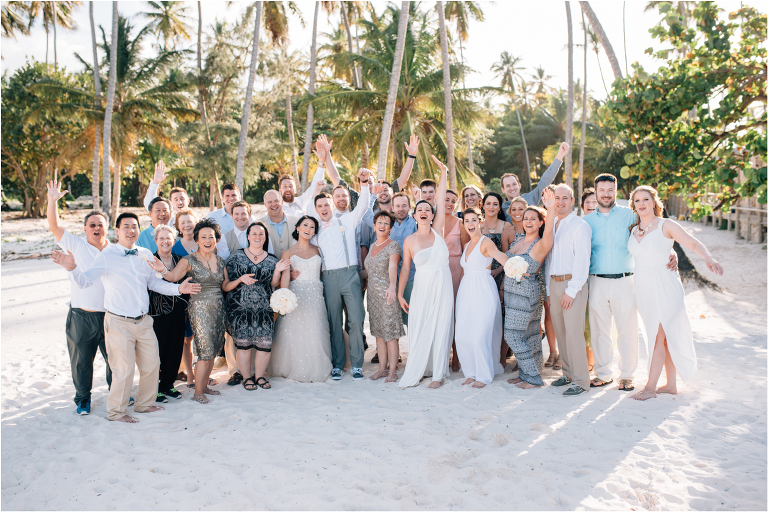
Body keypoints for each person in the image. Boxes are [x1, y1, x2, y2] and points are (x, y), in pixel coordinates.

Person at [51, 212, 201, 423]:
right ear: (117, 231)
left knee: (151, 365)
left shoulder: (146, 253)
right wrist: (72, 268)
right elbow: (85, 282)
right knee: (123, 370)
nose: (131, 230)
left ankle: (144, 404)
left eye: (134, 227)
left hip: (144, 320)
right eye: (126, 227)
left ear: (138, 231)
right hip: (119, 322)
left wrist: (179, 288)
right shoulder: (107, 255)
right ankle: (116, 412)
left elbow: (154, 284)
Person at [627, 186, 723, 400]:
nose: (641, 204)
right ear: (633, 205)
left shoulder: (666, 224)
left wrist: (708, 258)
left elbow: (691, 242)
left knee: (658, 334)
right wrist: (669, 253)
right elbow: (653, 252)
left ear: (654, 202)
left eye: (645, 199)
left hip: (665, 286)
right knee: (662, 335)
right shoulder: (634, 229)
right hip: (643, 288)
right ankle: (671, 385)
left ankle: (650, 388)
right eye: (637, 201)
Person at [584, 174, 678, 391]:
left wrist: (672, 252)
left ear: (616, 191)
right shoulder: (586, 222)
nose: (606, 194)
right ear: (595, 191)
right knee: (600, 330)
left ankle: (626, 375)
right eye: (602, 190)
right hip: (596, 280)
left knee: (627, 329)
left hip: (626, 280)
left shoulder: (631, 215)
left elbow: (654, 234)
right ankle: (603, 373)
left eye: (610, 189)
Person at [46, 180, 112, 415]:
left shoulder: (114, 250)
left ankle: (117, 394)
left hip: (110, 316)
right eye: (92, 225)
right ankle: (83, 399)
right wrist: (52, 200)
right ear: (85, 229)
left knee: (114, 360)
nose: (96, 228)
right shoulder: (75, 244)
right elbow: (53, 225)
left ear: (107, 228)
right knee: (82, 363)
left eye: (100, 225)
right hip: (81, 316)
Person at [306, 170, 378, 381]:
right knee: (333, 321)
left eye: (326, 205)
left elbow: (364, 205)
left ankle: (356, 364)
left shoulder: (347, 220)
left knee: (356, 320)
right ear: (316, 210)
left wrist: (364, 184)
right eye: (319, 207)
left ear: (332, 206)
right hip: (328, 278)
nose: (323, 209)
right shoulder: (315, 230)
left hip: (350, 275)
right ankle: (338, 364)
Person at [148, 219, 226, 404]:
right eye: (203, 236)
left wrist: (240, 281)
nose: (208, 239)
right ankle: (198, 391)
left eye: (211, 236)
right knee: (203, 350)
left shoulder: (220, 260)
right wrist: (163, 271)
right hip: (197, 310)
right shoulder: (187, 260)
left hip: (216, 309)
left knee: (211, 350)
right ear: (197, 239)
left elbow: (225, 284)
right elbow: (173, 277)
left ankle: (201, 385)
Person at [398, 156, 454, 389]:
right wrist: (401, 294)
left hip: (442, 285)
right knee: (420, 326)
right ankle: (420, 369)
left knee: (441, 326)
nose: (423, 211)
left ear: (432, 215)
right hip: (421, 287)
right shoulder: (410, 240)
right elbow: (405, 269)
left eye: (427, 209)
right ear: (415, 215)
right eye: (419, 209)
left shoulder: (439, 229)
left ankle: (439, 373)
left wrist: (443, 173)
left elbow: (439, 197)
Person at [222, 222, 289, 390]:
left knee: (264, 345)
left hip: (264, 309)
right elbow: (225, 286)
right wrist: (240, 279)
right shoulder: (236, 257)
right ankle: (246, 378)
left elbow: (274, 283)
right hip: (240, 309)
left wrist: (278, 270)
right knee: (243, 346)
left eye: (261, 234)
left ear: (265, 237)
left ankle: (259, 377)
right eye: (254, 234)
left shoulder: (272, 259)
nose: (258, 237)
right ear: (248, 236)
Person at [267, 215, 333, 382]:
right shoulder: (288, 252)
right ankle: (291, 367)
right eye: (305, 225)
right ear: (297, 228)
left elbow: (321, 273)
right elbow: (285, 277)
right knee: (293, 331)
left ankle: (317, 366)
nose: (308, 229)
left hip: (316, 294)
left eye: (312, 227)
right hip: (296, 294)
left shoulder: (318, 250)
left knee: (316, 329)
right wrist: (284, 296)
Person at [454, 207, 511, 388]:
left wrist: (516, 267)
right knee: (463, 335)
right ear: (464, 224)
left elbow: (501, 257)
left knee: (480, 335)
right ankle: (471, 372)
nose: (470, 224)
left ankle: (484, 375)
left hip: (483, 290)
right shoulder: (466, 245)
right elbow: (464, 271)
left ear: (480, 222)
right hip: (466, 291)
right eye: (467, 221)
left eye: (473, 220)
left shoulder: (486, 243)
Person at [504, 192, 556, 388]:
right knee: (530, 333)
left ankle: (533, 377)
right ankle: (526, 373)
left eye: (533, 219)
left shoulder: (541, 243)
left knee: (513, 335)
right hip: (512, 294)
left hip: (526, 294)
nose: (528, 221)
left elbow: (550, 232)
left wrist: (550, 208)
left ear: (541, 222)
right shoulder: (519, 240)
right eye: (526, 218)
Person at [547, 184, 592, 397]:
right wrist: (549, 289)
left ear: (573, 201)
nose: (561, 201)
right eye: (557, 197)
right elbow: (549, 258)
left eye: (565, 198)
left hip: (572, 284)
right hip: (554, 284)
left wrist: (571, 290)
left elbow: (582, 262)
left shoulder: (579, 226)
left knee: (574, 333)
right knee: (560, 331)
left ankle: (582, 381)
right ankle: (567, 373)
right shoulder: (553, 223)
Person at [214, 200, 256, 386]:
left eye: (243, 214)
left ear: (249, 214)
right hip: (234, 289)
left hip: (256, 288)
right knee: (232, 332)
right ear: (231, 216)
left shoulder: (258, 232)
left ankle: (252, 369)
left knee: (254, 327)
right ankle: (234, 370)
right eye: (236, 214)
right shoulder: (224, 237)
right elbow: (224, 262)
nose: (240, 217)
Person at [361, 210, 405, 382]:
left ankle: (393, 371)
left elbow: (393, 267)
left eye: (386, 223)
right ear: (374, 225)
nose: (382, 225)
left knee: (390, 334)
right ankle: (382, 369)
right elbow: (369, 272)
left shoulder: (393, 246)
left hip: (388, 294)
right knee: (379, 333)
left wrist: (393, 287)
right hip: (372, 295)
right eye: (380, 222)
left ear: (390, 228)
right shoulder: (372, 246)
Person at [148, 225, 187, 402]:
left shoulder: (180, 260)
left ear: (174, 240)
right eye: (161, 238)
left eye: (168, 238)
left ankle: (168, 385)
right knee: (157, 351)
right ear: (156, 241)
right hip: (156, 314)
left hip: (178, 312)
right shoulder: (150, 260)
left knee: (175, 349)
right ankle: (154, 388)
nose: (165, 241)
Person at [501, 142, 570, 224]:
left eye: (514, 184)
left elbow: (545, 180)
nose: (512, 188)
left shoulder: (530, 198)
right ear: (503, 189)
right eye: (508, 186)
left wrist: (560, 155)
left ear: (519, 185)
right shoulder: (500, 209)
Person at [171, 209, 197, 385]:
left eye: (190, 221)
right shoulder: (174, 247)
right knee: (187, 339)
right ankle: (190, 375)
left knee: (201, 338)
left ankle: (203, 372)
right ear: (178, 227)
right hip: (184, 297)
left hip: (204, 295)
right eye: (183, 223)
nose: (187, 225)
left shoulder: (205, 241)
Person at [444, 188, 469, 372]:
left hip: (455, 270)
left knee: (455, 313)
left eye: (453, 201)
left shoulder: (460, 223)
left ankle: (457, 356)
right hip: (437, 270)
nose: (450, 204)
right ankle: (442, 355)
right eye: (446, 199)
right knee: (441, 314)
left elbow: (468, 249)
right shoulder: (431, 220)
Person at [391, 192, 418, 326]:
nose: (401, 209)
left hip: (411, 277)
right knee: (393, 320)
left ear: (409, 207)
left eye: (404, 205)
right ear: (392, 207)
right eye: (398, 206)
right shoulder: (387, 224)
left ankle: (415, 347)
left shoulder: (416, 223)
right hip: (390, 279)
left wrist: (419, 200)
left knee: (411, 317)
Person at [480, 192, 513, 291]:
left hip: (503, 272)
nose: (491, 207)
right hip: (482, 273)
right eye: (488, 203)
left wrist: (500, 269)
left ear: (499, 208)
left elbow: (510, 252)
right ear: (483, 206)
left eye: (495, 204)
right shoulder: (477, 226)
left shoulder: (506, 225)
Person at [143, 161, 190, 225]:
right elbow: (150, 204)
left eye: (182, 198)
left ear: (188, 200)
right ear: (171, 203)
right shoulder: (169, 221)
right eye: (176, 199)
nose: (179, 202)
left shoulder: (196, 220)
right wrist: (156, 182)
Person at [258, 190, 299, 258]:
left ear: (282, 202)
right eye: (270, 202)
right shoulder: (258, 224)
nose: (273, 204)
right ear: (265, 204)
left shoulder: (296, 222)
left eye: (276, 201)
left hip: (293, 267)